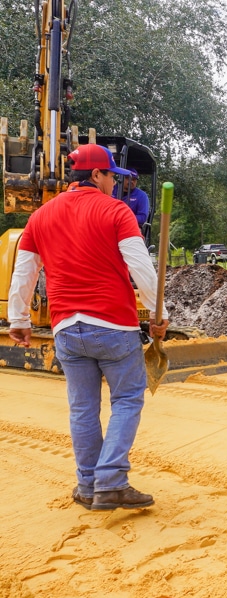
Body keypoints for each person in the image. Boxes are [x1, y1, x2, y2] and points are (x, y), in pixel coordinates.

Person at [8, 144, 169, 511]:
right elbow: (141, 267)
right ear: (96, 174)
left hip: (67, 328)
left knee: (82, 409)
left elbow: (24, 272)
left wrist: (19, 318)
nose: (115, 182)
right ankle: (110, 482)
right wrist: (159, 312)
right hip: (113, 324)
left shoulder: (40, 217)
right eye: (112, 175)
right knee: (127, 399)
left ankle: (87, 485)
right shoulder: (115, 211)